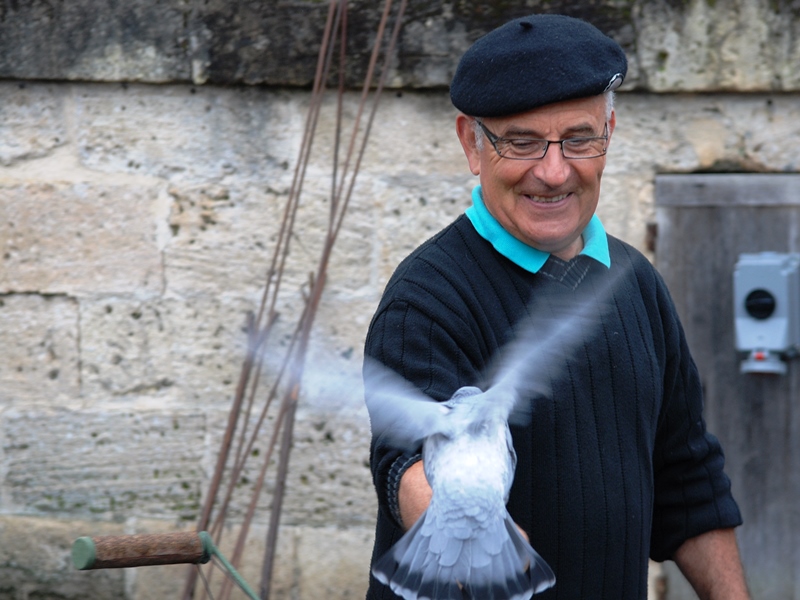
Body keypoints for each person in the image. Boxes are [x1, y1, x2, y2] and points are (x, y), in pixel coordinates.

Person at [363, 13, 750, 600]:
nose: (553, 171)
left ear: (610, 132)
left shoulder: (634, 282)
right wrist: (467, 527)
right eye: (520, 142)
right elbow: (405, 463)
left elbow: (686, 480)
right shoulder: (427, 298)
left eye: (578, 138)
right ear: (472, 142)